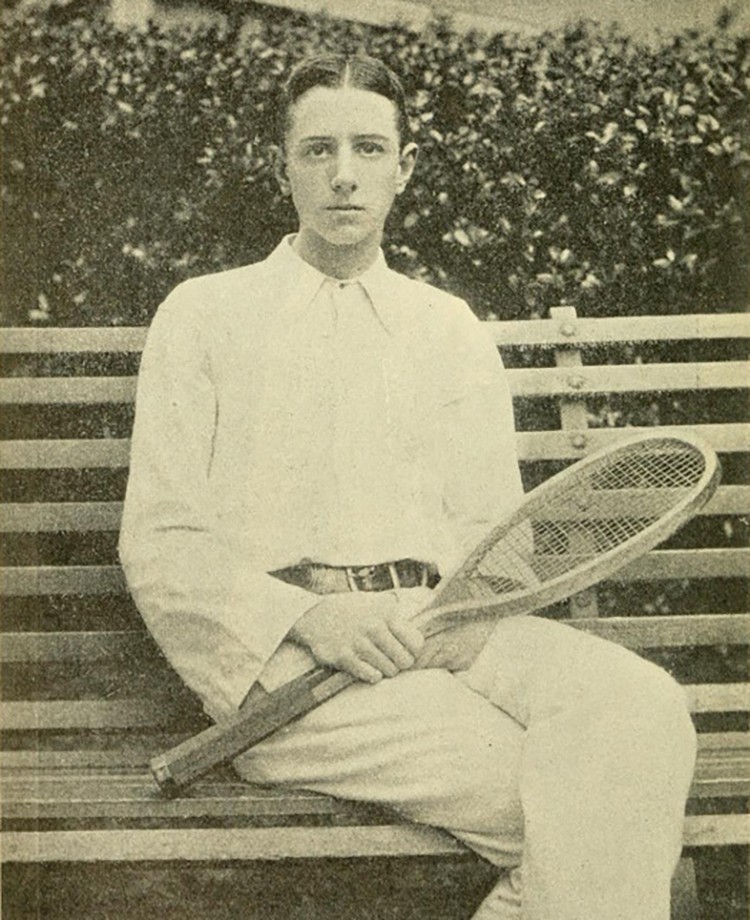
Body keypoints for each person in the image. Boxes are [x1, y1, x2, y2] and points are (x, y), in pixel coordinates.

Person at [119, 53, 697, 920]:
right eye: (317, 150)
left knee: (642, 706)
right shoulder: (203, 315)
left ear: (405, 166)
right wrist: (314, 618)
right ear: (282, 164)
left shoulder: (447, 327)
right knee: (583, 809)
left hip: (442, 631)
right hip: (284, 667)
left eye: (367, 148)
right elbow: (161, 542)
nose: (344, 175)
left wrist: (470, 619)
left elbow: (492, 531)